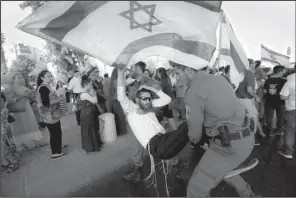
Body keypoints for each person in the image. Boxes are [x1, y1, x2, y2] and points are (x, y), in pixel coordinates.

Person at [172, 63, 258, 197]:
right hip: (246, 138)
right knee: (224, 170)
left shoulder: (193, 92)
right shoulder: (219, 79)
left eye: (177, 73)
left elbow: (195, 135)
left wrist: (192, 139)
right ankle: (248, 194)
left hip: (227, 146)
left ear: (188, 69)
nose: (177, 79)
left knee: (196, 187)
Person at [5, 74, 45, 151]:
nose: (21, 79)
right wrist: (22, 96)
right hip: (16, 111)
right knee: (20, 127)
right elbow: (8, 100)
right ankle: (24, 144)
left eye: (22, 77)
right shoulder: (9, 89)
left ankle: (33, 141)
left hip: (26, 109)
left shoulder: (24, 88)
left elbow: (33, 97)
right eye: (18, 77)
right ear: (13, 80)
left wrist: (31, 94)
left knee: (30, 124)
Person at [36, 70, 66, 159]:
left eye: (51, 76)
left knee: (57, 131)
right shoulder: (43, 88)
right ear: (42, 78)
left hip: (53, 113)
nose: (50, 78)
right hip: (49, 114)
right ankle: (55, 152)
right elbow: (46, 103)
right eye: (48, 76)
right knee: (54, 132)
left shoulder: (47, 86)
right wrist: (60, 100)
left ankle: (58, 147)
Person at [235, 59, 261, 144]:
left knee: (242, 120)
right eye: (254, 63)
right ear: (251, 64)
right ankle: (251, 140)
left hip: (237, 99)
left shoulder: (239, 72)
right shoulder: (249, 73)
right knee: (253, 118)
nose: (255, 64)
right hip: (246, 100)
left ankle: (242, 139)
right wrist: (256, 97)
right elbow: (249, 90)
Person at [79, 75, 102, 153]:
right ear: (85, 85)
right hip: (87, 115)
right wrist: (94, 93)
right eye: (90, 84)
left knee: (91, 130)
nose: (91, 86)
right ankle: (92, 147)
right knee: (89, 131)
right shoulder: (84, 94)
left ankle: (92, 146)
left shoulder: (85, 92)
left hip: (88, 114)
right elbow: (95, 101)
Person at [263, 65, 287, 137]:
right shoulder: (284, 81)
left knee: (269, 117)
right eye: (284, 70)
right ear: (280, 71)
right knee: (280, 116)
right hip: (280, 101)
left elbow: (264, 91)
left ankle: (270, 131)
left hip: (269, 100)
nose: (284, 71)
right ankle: (279, 130)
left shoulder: (268, 80)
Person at [278, 64, 295, 159]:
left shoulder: (290, 80)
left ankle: (288, 152)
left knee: (290, 131)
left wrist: (291, 97)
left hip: (292, 109)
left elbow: (282, 96)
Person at [1, 92, 20, 173]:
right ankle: (5, 162)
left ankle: (13, 162)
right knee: (3, 147)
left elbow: (4, 122)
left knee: (6, 146)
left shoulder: (4, 110)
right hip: (3, 131)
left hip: (4, 131)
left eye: (1, 101)